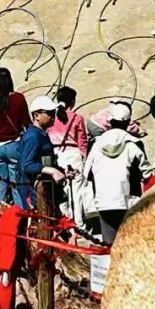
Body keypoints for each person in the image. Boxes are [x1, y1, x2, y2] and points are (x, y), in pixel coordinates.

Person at [83, 102, 155, 244]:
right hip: (129, 202)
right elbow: (147, 174)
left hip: (103, 202)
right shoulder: (134, 143)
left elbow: (87, 174)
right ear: (128, 122)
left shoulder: (95, 143)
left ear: (109, 121)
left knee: (110, 244)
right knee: (131, 242)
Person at [44, 86, 90, 225]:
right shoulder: (77, 118)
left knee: (62, 191)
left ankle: (66, 222)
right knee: (77, 191)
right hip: (73, 154)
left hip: (57, 155)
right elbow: (82, 142)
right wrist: (84, 157)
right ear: (73, 101)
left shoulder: (51, 117)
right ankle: (79, 224)